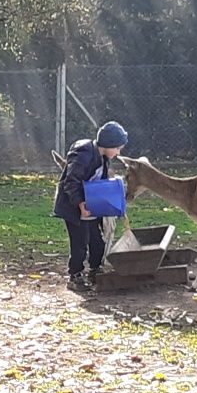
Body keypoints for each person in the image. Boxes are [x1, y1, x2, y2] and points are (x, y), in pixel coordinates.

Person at [53, 121, 128, 291]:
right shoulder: (84, 153)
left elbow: (99, 183)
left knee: (97, 242)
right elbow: (71, 182)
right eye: (117, 148)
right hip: (74, 205)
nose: (118, 152)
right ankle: (75, 275)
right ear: (108, 143)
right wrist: (80, 203)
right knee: (80, 242)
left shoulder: (103, 158)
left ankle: (95, 270)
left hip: (91, 206)